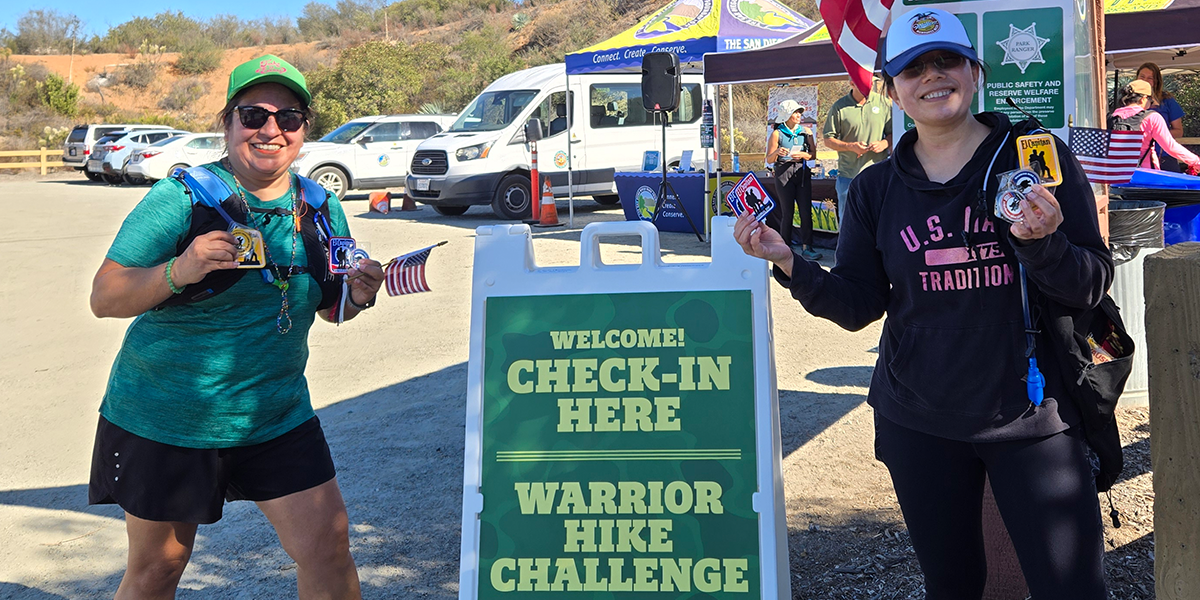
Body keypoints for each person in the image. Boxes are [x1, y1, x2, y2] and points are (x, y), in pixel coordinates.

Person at [735, 9, 1111, 599]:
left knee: (1072, 589)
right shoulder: (876, 188)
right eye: (913, 68)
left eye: (947, 61)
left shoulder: (1035, 161)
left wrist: (1045, 247)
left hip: (1032, 418)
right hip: (919, 422)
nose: (932, 76)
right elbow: (858, 303)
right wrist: (789, 262)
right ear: (892, 91)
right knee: (952, 586)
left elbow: (1090, 285)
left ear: (973, 72)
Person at [88, 54, 382, 599]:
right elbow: (104, 297)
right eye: (253, 115)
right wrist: (183, 268)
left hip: (275, 413)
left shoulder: (320, 207)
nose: (271, 130)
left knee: (327, 545)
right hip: (168, 415)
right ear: (227, 124)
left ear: (303, 130)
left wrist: (358, 295)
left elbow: (330, 307)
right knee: (159, 568)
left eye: (288, 118)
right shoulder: (179, 199)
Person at [822, 76, 892, 228]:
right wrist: (850, 146)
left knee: (879, 222)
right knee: (849, 223)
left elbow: (893, 133)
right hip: (848, 176)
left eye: (871, 83)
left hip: (878, 175)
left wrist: (884, 143)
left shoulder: (884, 103)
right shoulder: (839, 107)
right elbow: (828, 139)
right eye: (864, 83)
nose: (870, 87)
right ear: (852, 83)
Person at [766, 99, 821, 260]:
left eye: (799, 112)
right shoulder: (777, 133)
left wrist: (803, 155)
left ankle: (807, 247)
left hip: (802, 172)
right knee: (787, 212)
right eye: (795, 112)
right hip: (783, 172)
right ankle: (785, 247)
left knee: (805, 211)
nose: (798, 115)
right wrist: (777, 152)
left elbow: (813, 154)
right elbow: (769, 159)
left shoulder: (805, 132)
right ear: (787, 115)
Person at [1111, 79, 1200, 172]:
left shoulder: (1113, 117)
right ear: (1144, 99)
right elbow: (1170, 146)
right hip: (1144, 175)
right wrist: (1196, 161)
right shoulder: (1152, 117)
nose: (1150, 104)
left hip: (1116, 175)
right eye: (1151, 101)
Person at [1136, 62, 1186, 171]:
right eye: (1142, 77)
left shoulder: (1167, 100)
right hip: (1137, 159)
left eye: (1150, 78)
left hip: (1165, 158)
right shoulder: (1128, 102)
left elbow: (1179, 131)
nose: (1145, 81)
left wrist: (1157, 135)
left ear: (1156, 81)